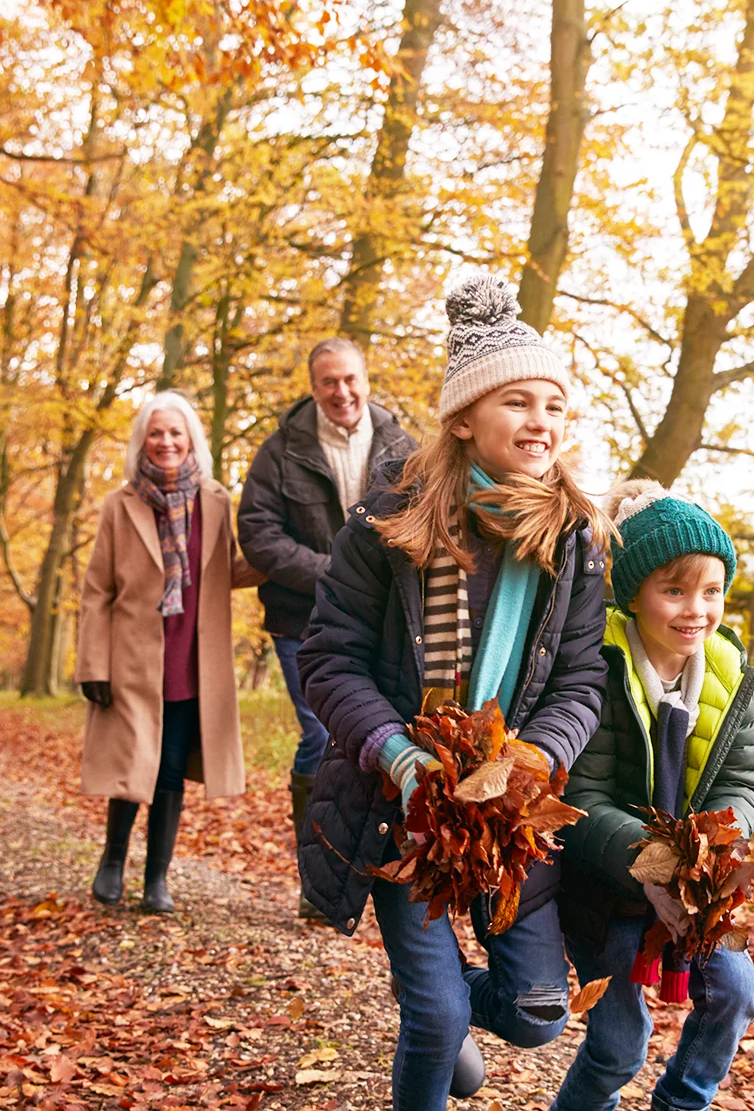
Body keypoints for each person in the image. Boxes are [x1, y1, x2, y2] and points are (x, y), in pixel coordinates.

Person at [296, 275, 614, 1110]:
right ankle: (435, 1032)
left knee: (542, 1015)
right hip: (409, 802)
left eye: (554, 403)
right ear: (465, 417)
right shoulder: (388, 525)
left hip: (513, 807)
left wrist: (535, 755)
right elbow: (328, 662)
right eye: (518, 401)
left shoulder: (575, 540)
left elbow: (583, 678)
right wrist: (400, 757)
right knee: (435, 1022)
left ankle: (442, 1022)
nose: (541, 420)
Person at [552, 481, 754, 1111]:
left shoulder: (734, 680)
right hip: (604, 887)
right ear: (634, 594)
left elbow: (743, 782)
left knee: (735, 991)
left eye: (710, 591)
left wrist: (710, 858)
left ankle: (682, 1101)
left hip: (693, 885)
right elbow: (583, 794)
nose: (695, 609)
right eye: (673, 590)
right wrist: (654, 863)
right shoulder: (599, 667)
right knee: (620, 1044)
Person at [237, 336, 417, 916]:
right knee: (320, 735)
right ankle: (317, 883)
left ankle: (372, 874)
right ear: (313, 388)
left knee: (370, 737)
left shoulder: (402, 445)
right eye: (327, 383)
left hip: (380, 625)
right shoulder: (282, 449)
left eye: (349, 379)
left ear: (365, 380)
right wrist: (333, 575)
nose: (341, 392)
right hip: (300, 621)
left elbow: (424, 521)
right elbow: (258, 534)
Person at [77, 391, 261, 914]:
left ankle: (156, 878)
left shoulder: (216, 501)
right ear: (143, 440)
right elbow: (97, 591)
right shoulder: (120, 504)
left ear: (191, 439)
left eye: (175, 433)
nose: (166, 442)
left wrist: (283, 558)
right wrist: (92, 664)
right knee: (134, 763)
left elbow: (231, 568)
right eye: (156, 433)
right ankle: (113, 860)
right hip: (132, 658)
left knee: (171, 768)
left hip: (192, 657)